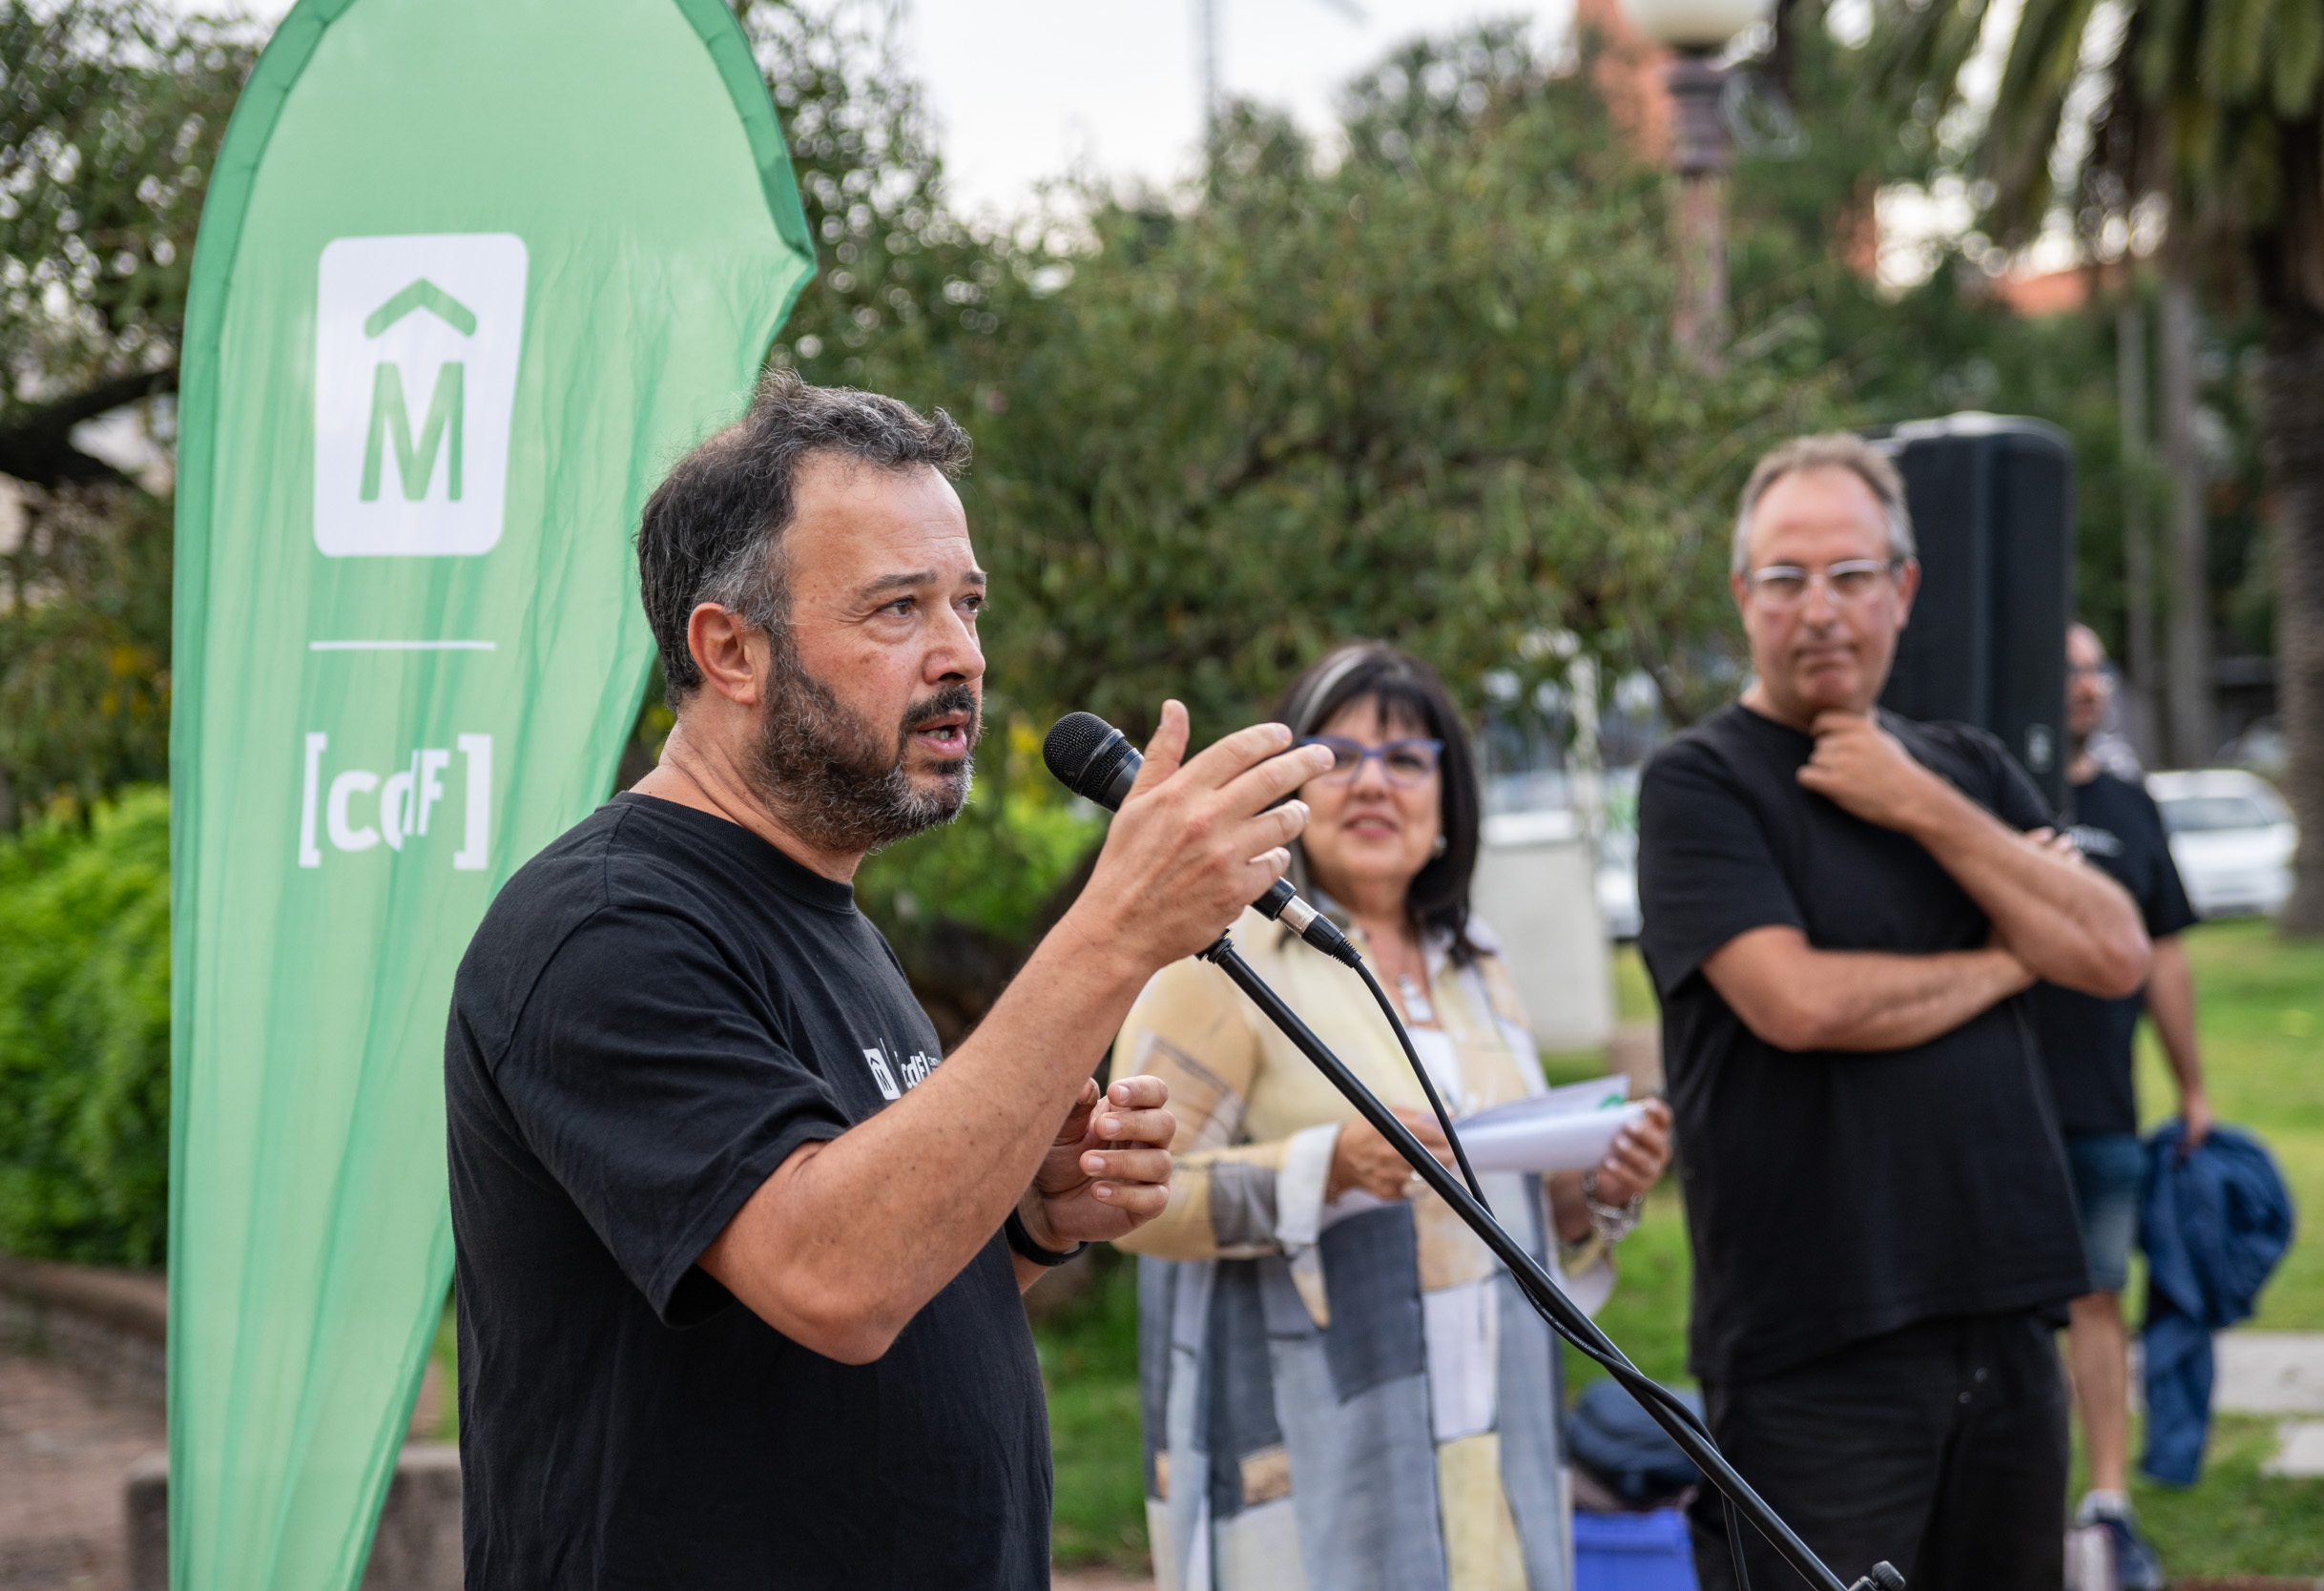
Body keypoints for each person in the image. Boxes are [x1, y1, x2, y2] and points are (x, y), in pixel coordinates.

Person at [444, 376, 1340, 1588]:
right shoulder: (603, 929)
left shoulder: (826, 918)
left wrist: (1026, 1215)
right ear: (730, 650)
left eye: (967, 604)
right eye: (897, 609)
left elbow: (877, 1277)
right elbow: (835, 1279)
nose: (962, 655)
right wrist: (1112, 932)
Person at [1634, 433, 2151, 1591]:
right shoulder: (1699, 782)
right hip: (1816, 1344)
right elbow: (1797, 1002)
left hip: (2008, 1318)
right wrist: (2011, 960)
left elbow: (2112, 949)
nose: (1820, 609)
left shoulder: (1962, 767)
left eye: (1850, 574)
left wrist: (1919, 801)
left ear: (1903, 590)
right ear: (1742, 596)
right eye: (1786, 577)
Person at [1110, 642, 1676, 1591]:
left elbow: (1495, 1214)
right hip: (1317, 1458)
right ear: (1285, 786)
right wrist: (1325, 1167)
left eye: (1407, 760)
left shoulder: (1477, 967)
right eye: (1340, 755)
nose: (1375, 783)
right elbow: (1132, 1199)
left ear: (1448, 807)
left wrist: (1590, 1191)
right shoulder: (1222, 954)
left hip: (1491, 1442)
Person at [2037, 621, 2209, 1591]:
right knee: (2015, 1313)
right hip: (2002, 1115)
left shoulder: (2130, 804)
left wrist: (2189, 1082)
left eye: (2098, 668)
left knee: (2099, 1297)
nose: (2087, 687)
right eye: (2068, 671)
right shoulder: (1998, 792)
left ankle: (2105, 1509)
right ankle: (2019, 1506)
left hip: (2103, 1106)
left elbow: (2166, 951)